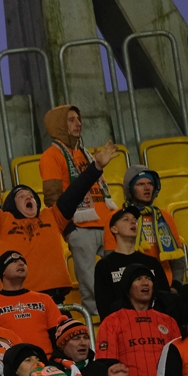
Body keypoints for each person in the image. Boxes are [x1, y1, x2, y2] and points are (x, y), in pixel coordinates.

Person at [0, 142, 119, 303]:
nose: (28, 197)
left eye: (31, 195)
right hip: (19, 300)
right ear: (12, 205)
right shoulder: (1, 222)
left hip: (55, 299)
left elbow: (76, 191)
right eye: (21, 196)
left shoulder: (52, 216)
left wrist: (96, 167)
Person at [40, 105, 119, 315]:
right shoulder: (51, 156)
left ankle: (118, 315)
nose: (78, 123)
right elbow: (52, 198)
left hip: (106, 224)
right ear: (59, 125)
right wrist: (69, 230)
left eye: (78, 119)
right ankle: (97, 323)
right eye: (71, 120)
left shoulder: (86, 153)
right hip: (80, 228)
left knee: (117, 275)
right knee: (90, 284)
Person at [96, 263, 179, 376]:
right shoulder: (111, 322)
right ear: (127, 288)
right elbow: (107, 365)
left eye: (149, 278)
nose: (145, 282)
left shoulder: (169, 322)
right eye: (138, 279)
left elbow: (179, 361)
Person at [105, 165, 185, 285]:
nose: (147, 188)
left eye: (150, 184)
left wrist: (176, 285)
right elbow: (112, 260)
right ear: (130, 189)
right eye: (140, 184)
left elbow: (178, 260)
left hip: (164, 284)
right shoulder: (117, 218)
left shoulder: (164, 216)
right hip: (130, 286)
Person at [94, 207, 171, 319]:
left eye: (135, 220)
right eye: (126, 219)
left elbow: (166, 300)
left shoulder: (152, 262)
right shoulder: (104, 266)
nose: (133, 222)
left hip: (154, 323)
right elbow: (104, 307)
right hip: (121, 325)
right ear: (114, 229)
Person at [0, 251, 66, 355]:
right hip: (10, 361)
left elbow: (58, 334)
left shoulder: (44, 299)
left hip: (45, 360)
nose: (21, 264)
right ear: (3, 271)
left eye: (23, 262)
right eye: (14, 261)